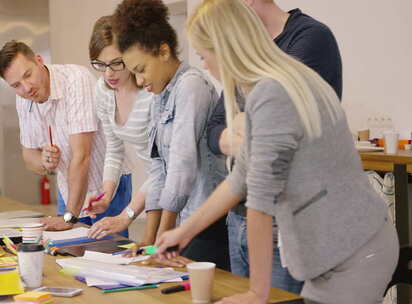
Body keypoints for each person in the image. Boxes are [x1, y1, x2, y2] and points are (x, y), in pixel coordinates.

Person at [156, 0, 398, 303]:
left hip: (353, 251)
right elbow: (241, 176)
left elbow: (260, 196)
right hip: (335, 251)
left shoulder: (274, 93)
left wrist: (258, 292)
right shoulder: (268, 87)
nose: (205, 64)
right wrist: (185, 231)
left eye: (205, 55)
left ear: (225, 48)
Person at [205, 0, 343, 293]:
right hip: (240, 218)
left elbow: (280, 123)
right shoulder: (246, 54)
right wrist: (237, 134)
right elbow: (214, 128)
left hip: (290, 221)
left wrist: (244, 127)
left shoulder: (310, 38)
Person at [108, 0, 230, 270]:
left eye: (141, 70)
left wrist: (163, 242)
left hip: (208, 224)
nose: (139, 81)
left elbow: (181, 166)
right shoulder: (160, 93)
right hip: (182, 224)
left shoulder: (191, 86)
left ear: (163, 51)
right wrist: (150, 241)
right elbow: (159, 170)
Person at [0, 41, 131, 232]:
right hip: (69, 188)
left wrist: (69, 217)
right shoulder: (23, 99)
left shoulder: (76, 80)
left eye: (28, 75)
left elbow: (82, 156)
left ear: (39, 61)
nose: (26, 88)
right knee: (68, 254)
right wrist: (44, 161)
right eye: (16, 85)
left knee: (108, 253)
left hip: (106, 184)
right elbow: (28, 156)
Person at [84, 16, 161, 245]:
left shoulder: (150, 92)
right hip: (156, 189)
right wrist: (106, 194)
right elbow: (114, 149)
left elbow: (164, 167)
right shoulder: (104, 91)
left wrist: (128, 214)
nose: (109, 73)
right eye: (100, 64)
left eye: (117, 63)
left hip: (177, 187)